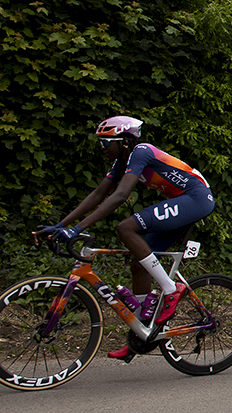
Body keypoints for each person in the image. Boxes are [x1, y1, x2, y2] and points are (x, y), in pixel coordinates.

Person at [35, 116, 214, 362]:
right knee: (137, 262)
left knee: (126, 228)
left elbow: (120, 195)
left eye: (105, 143)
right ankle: (143, 333)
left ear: (124, 141)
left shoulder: (140, 152)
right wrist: (60, 226)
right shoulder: (123, 159)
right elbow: (98, 193)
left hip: (196, 198)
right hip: (180, 201)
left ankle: (171, 290)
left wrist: (77, 229)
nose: (102, 149)